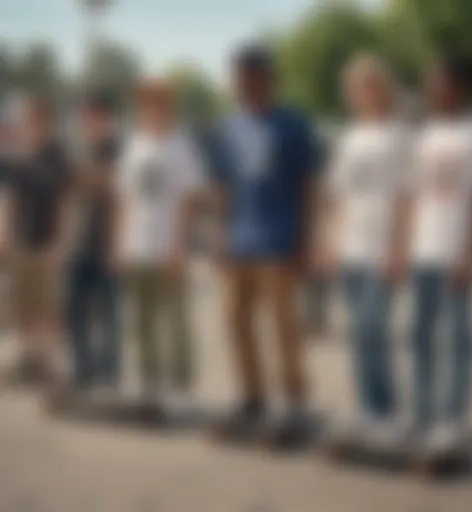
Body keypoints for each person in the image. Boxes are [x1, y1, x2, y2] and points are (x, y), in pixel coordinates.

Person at [210, 44, 319, 447]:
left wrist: (307, 241)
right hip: (240, 240)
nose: (239, 85)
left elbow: (309, 186)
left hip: (280, 239)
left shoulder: (292, 124)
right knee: (234, 321)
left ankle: (295, 403)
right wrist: (220, 237)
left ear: (265, 78)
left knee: (284, 327)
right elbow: (224, 187)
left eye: (246, 78)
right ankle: (252, 397)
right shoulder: (231, 127)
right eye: (235, 78)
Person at [408, 57, 472, 454]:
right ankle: (425, 414)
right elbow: (415, 194)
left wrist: (471, 252)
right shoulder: (425, 133)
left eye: (440, 84)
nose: (433, 92)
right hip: (422, 250)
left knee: (458, 340)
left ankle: (453, 420)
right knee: (421, 337)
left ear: (458, 88)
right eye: (429, 85)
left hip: (456, 252)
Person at [322, 54, 412, 446]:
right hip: (352, 249)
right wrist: (332, 242)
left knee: (375, 330)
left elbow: (407, 198)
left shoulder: (399, 135)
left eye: (368, 84)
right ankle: (366, 410)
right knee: (358, 334)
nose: (361, 93)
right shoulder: (350, 137)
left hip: (381, 248)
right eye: (355, 88)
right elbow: (340, 195)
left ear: (383, 87)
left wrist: (398, 250)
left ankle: (387, 413)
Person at [114, 79, 206, 406]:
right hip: (137, 246)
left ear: (168, 105)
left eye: (156, 102)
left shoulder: (181, 145)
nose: (149, 109)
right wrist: (121, 243)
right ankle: (149, 385)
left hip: (168, 248)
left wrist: (180, 246)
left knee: (175, 322)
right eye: (144, 103)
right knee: (141, 323)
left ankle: (181, 390)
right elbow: (125, 197)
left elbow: (190, 201)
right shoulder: (135, 144)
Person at [1, 98, 72, 385]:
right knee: (23, 305)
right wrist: (5, 237)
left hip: (46, 245)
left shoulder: (58, 158)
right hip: (21, 243)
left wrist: (60, 244)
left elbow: (65, 204)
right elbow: (12, 201)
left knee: (47, 309)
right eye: (30, 122)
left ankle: (46, 364)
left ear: (48, 124)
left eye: (39, 121)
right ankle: (27, 361)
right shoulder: (21, 159)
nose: (34, 127)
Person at [66, 92, 121, 390]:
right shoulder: (82, 151)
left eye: (94, 116)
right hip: (79, 243)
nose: (89, 122)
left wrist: (117, 246)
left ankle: (109, 375)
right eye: (85, 116)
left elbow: (117, 190)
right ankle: (82, 370)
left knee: (108, 314)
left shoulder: (118, 148)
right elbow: (72, 196)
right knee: (74, 309)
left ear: (106, 117)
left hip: (107, 245)